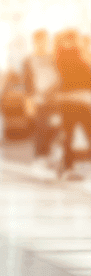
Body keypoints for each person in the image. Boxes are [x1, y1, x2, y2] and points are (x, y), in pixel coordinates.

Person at [53, 29, 91, 179]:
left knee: (69, 135)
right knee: (80, 134)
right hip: (79, 100)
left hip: (70, 101)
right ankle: (67, 167)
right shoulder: (78, 55)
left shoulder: (60, 55)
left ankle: (67, 167)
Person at [23, 30, 60, 169]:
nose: (42, 44)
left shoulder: (54, 58)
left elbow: (60, 78)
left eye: (44, 41)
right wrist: (28, 103)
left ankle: (51, 155)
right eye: (39, 41)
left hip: (55, 101)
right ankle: (40, 158)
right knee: (41, 129)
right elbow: (27, 84)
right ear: (34, 42)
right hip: (39, 101)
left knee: (55, 128)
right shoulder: (29, 60)